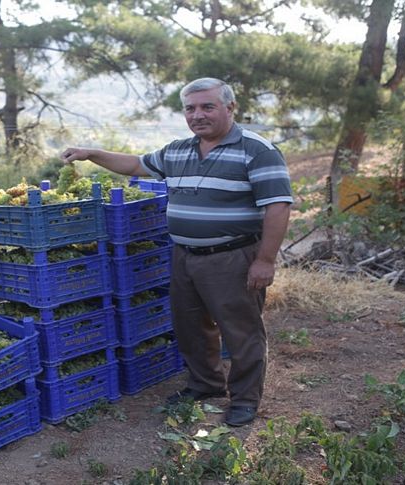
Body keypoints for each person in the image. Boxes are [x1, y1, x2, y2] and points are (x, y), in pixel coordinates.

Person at [61, 77, 292, 427]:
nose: (197, 115)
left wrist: (265, 260)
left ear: (230, 108)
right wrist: (92, 154)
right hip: (184, 256)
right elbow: (135, 164)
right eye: (190, 108)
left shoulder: (257, 150)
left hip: (232, 257)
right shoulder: (178, 150)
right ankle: (206, 383)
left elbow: (278, 207)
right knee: (190, 327)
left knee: (241, 333)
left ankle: (244, 399)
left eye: (207, 106)